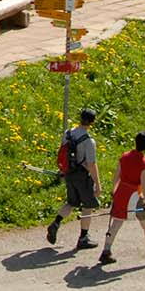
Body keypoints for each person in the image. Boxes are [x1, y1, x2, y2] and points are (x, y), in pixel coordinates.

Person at [100, 131, 145, 266]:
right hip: (134, 196)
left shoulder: (124, 156)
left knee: (116, 223)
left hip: (121, 193)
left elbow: (116, 176)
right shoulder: (144, 163)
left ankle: (106, 251)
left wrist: (113, 192)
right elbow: (144, 185)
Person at [46, 108, 101, 251]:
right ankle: (83, 238)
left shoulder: (68, 133)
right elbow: (91, 164)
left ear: (80, 118)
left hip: (69, 173)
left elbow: (62, 152)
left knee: (71, 202)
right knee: (88, 205)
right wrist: (97, 184)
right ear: (92, 122)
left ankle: (56, 223)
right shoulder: (89, 141)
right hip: (82, 176)